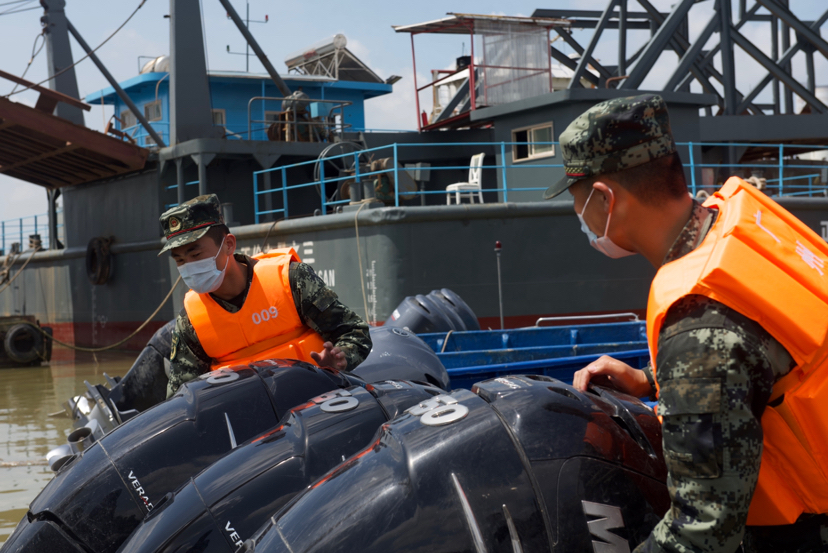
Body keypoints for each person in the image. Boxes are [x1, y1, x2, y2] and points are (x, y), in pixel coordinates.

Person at [546, 94, 828, 552]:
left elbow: (702, 535)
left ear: (604, 199)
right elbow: (765, 353)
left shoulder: (697, 327)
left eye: (578, 203)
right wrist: (652, 380)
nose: (580, 219)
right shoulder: (731, 226)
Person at [158, 194, 372, 398]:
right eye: (180, 260)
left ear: (229, 245)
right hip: (250, 418)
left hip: (316, 402)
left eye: (196, 254)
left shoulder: (292, 280)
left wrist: (341, 359)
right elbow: (181, 395)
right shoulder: (191, 321)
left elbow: (355, 332)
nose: (189, 267)